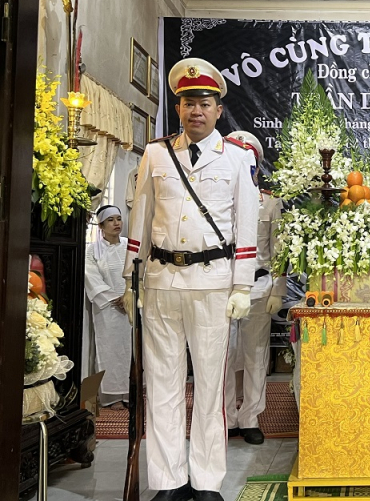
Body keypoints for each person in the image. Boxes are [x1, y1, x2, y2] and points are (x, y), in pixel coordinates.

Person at [123, 58, 259, 501]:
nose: (195, 111)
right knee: (161, 384)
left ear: (219, 109)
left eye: (204, 103)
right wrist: (130, 278)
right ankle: (167, 480)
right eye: (187, 103)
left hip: (212, 283)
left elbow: (245, 224)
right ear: (178, 108)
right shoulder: (157, 153)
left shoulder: (237, 158)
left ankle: (205, 480)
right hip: (161, 281)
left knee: (210, 386)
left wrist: (242, 286)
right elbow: (141, 217)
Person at [224, 131, 286, 445]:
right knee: (222, 356)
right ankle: (224, 417)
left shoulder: (270, 202)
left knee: (255, 355)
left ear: (257, 165)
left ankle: (250, 417)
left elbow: (279, 250)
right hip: (220, 286)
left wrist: (278, 290)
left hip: (258, 287)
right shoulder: (215, 199)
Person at [84, 205, 130, 408]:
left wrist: (130, 295)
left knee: (131, 350)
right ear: (101, 226)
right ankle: (112, 396)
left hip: (131, 306)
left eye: (118, 218)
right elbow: (92, 278)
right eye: (110, 220)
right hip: (108, 309)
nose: (116, 223)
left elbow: (142, 272)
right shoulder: (93, 250)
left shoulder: (130, 246)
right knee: (110, 350)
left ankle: (131, 393)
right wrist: (114, 298)